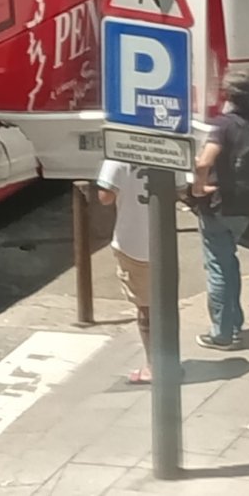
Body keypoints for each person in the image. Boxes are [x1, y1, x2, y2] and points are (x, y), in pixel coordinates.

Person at [191, 71, 249, 351]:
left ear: (229, 96)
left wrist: (198, 189)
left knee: (218, 265)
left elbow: (205, 163)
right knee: (230, 263)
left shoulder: (224, 125)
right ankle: (234, 325)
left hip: (220, 205)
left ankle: (223, 333)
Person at [96, 159, 157, 384]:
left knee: (145, 307)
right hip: (163, 240)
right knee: (164, 305)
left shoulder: (118, 155)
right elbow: (180, 190)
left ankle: (153, 365)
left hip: (132, 241)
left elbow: (105, 197)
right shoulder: (167, 148)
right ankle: (167, 360)